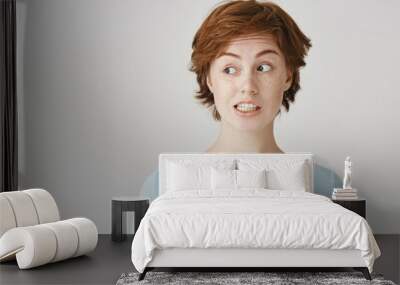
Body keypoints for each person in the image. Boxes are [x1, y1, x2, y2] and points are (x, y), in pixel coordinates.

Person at [140, 0, 341, 202]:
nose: (248, 86)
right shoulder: (160, 186)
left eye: (263, 67)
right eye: (230, 69)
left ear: (287, 76)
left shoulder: (325, 186)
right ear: (209, 78)